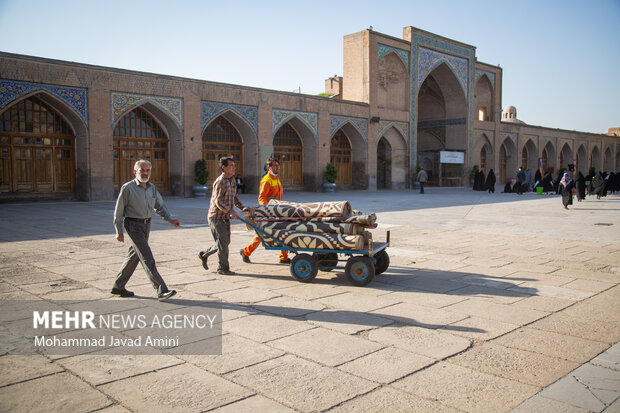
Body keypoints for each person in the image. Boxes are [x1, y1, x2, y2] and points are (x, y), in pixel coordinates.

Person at [112, 160, 180, 301]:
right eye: (142, 170)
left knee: (133, 256)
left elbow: (160, 206)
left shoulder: (152, 188)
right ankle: (161, 290)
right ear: (135, 171)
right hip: (132, 225)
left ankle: (118, 286)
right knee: (147, 257)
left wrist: (170, 219)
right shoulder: (128, 188)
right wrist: (118, 230)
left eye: (148, 170)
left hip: (146, 225)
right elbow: (118, 211)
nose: (145, 173)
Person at [199, 156, 250, 275]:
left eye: (234, 165)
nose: (234, 168)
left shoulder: (232, 180)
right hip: (216, 217)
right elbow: (218, 201)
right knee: (223, 243)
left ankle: (204, 255)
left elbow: (234, 197)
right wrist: (230, 211)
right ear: (224, 167)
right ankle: (222, 268)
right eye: (231, 166)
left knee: (224, 242)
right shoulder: (220, 181)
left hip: (225, 216)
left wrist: (242, 207)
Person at [241, 158, 290, 264]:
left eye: (278, 165)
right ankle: (245, 252)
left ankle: (284, 257)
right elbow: (261, 198)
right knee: (261, 235)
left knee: (282, 232)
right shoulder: (267, 180)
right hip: (269, 213)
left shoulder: (276, 179)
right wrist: (270, 208)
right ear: (269, 167)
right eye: (275, 166)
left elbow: (278, 197)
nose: (277, 167)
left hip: (277, 211)